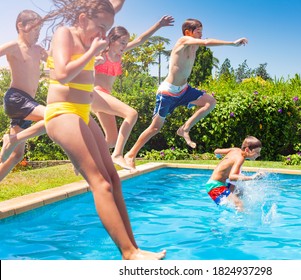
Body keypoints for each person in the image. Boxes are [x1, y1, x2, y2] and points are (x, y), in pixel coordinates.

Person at [43, 0, 165, 260]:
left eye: (106, 30)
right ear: (83, 18)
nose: (102, 34)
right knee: (100, 183)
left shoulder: (93, 35)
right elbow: (62, 73)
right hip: (62, 112)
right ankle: (129, 253)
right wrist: (92, 53)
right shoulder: (66, 34)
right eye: (99, 27)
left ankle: (134, 248)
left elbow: (113, 5)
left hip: (83, 114)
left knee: (114, 179)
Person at [124, 18, 248, 169]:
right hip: (168, 92)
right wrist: (232, 43)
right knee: (155, 128)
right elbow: (207, 42)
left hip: (184, 89)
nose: (201, 35)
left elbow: (206, 41)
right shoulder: (183, 40)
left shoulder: (194, 46)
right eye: (198, 32)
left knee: (210, 102)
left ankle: (185, 128)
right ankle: (130, 154)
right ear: (188, 32)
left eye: (202, 32)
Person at [93, 15, 174, 170]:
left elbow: (141, 40)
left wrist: (159, 24)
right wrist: (93, 61)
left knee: (111, 139)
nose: (124, 45)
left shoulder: (119, 55)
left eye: (126, 42)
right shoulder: (102, 52)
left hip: (105, 97)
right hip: (95, 93)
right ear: (112, 39)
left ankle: (87, 159)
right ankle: (117, 155)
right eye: (122, 42)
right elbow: (84, 57)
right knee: (131, 114)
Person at [0, 10, 48, 182]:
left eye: (40, 29)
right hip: (17, 99)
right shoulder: (14, 47)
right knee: (53, 117)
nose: (38, 33)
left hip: (28, 104)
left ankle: (12, 141)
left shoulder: (38, 50)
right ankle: (13, 138)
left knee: (16, 155)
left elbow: (59, 64)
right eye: (35, 28)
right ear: (21, 26)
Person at [206, 136, 262, 211]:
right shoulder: (240, 158)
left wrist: (218, 155)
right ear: (247, 150)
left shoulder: (235, 150)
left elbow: (216, 151)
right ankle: (241, 220)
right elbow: (232, 176)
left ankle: (237, 207)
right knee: (239, 204)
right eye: (257, 152)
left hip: (220, 183)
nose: (259, 155)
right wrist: (252, 177)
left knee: (241, 191)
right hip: (214, 187)